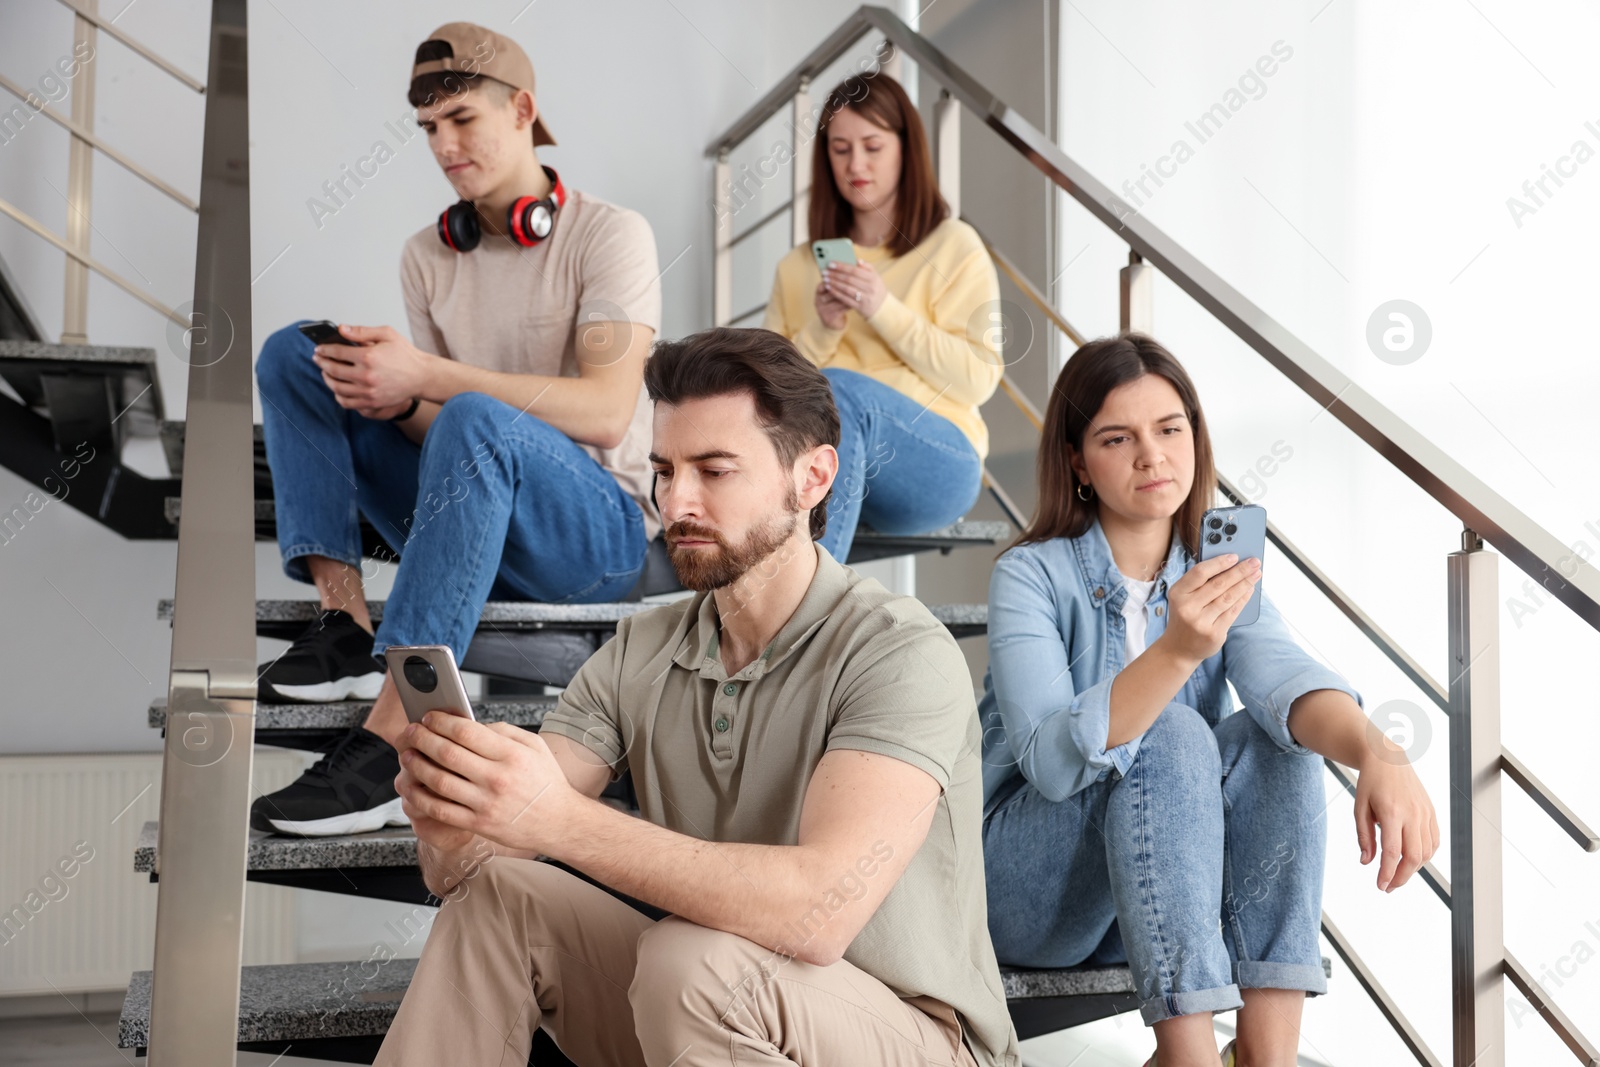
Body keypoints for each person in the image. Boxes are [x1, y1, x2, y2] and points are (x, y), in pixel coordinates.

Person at [373, 327, 1022, 1067]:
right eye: (664, 470)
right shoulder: (642, 648)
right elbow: (468, 862)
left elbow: (818, 914)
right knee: (502, 898)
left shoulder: (899, 649)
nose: (676, 501)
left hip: (915, 1038)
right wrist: (452, 812)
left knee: (695, 964)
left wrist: (555, 817)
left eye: (714, 470)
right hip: (715, 1013)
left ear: (812, 479)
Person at [977, 334, 1438, 1067]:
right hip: (1029, 895)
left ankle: (1264, 1055)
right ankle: (1188, 1057)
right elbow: (1054, 767)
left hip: (1161, 891)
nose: (1152, 456)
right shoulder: (1030, 576)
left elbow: (1284, 675)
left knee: (1277, 737)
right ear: (1076, 461)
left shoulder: (1214, 569)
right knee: (1176, 731)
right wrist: (1177, 651)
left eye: (1170, 429)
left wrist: (1378, 750)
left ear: (1195, 437)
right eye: (1116, 437)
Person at [249, 22, 662, 836]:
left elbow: (608, 408)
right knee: (297, 354)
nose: (443, 144)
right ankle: (343, 619)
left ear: (523, 112)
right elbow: (443, 433)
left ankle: (396, 737)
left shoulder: (612, 236)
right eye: (429, 130)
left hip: (596, 536)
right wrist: (400, 401)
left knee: (475, 416)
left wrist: (430, 380)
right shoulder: (426, 257)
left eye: (463, 119)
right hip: (474, 515)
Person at [763, 73, 1001, 563]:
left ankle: (802, 613)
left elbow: (978, 380)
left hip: (937, 460)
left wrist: (883, 309)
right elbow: (767, 397)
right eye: (840, 149)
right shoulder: (796, 269)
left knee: (839, 391)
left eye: (872, 146)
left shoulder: (952, 245)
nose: (856, 164)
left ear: (905, 149)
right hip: (827, 467)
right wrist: (822, 329)